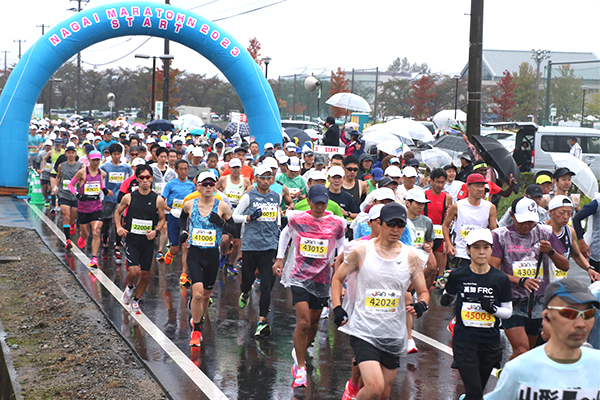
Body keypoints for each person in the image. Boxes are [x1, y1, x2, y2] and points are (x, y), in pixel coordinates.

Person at [332, 202, 430, 400]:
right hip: (363, 329)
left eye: (400, 225)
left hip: (393, 332)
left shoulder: (411, 256)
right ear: (379, 223)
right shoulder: (362, 251)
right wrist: (337, 307)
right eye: (391, 224)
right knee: (374, 387)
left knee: (384, 393)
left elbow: (423, 291)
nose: (396, 230)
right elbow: (337, 278)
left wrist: (422, 305)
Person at [274, 184, 346, 388]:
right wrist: (280, 258)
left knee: (314, 323)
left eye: (323, 203)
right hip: (300, 276)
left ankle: (301, 351)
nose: (320, 207)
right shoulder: (297, 218)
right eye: (316, 203)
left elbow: (342, 242)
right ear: (309, 200)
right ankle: (301, 367)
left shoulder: (336, 223)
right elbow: (285, 235)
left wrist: (340, 260)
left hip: (322, 278)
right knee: (304, 322)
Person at [484, 278, 600, 400]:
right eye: (569, 313)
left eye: (588, 314)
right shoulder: (519, 370)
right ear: (546, 316)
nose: (581, 324)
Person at [490, 197, 569, 360]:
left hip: (538, 301)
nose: (526, 226)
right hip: (512, 300)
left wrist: (551, 252)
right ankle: (506, 381)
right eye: (522, 221)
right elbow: (491, 271)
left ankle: (509, 377)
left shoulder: (546, 232)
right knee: (521, 350)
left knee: (529, 354)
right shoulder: (500, 235)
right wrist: (520, 280)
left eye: (530, 222)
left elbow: (565, 265)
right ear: (512, 215)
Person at [441, 229, 512, 400]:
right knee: (474, 392)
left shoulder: (500, 278)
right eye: (476, 247)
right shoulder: (458, 275)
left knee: (477, 391)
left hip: (489, 342)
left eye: (486, 247)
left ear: (491, 249)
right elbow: (446, 300)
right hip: (465, 341)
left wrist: (493, 309)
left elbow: (508, 312)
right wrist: (447, 293)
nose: (481, 252)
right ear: (468, 249)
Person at [180, 171, 233, 345]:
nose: (208, 187)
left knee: (205, 296)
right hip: (195, 253)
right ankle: (196, 329)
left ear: (216, 185)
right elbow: (182, 218)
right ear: (198, 186)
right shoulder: (189, 204)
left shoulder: (222, 206)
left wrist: (222, 223)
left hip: (212, 255)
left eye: (212, 184)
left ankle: (198, 319)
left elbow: (234, 229)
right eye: (205, 184)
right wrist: (182, 232)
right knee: (197, 294)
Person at [233, 164, 282, 338]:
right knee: (247, 279)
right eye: (262, 177)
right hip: (251, 245)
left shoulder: (276, 196)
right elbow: (234, 216)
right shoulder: (248, 197)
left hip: (269, 246)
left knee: (267, 285)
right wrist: (248, 217)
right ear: (256, 179)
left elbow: (276, 217)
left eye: (269, 177)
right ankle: (245, 292)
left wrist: (278, 234)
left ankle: (262, 321)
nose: (266, 181)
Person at [116, 165, 166, 315]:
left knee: (145, 274)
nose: (145, 180)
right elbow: (117, 213)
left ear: (151, 179)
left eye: (148, 177)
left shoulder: (157, 199)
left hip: (148, 242)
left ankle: (136, 300)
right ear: (137, 179)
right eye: (142, 177)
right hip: (132, 240)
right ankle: (130, 286)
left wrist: (156, 231)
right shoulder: (129, 197)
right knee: (133, 271)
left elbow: (162, 219)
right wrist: (119, 227)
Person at [443, 173, 498, 269]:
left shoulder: (490, 207)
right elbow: (445, 225)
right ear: (468, 187)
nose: (480, 189)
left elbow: (494, 232)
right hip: (461, 252)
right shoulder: (457, 206)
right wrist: (448, 243)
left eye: (482, 186)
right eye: (477, 186)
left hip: (481, 253)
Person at [68, 150, 112, 268]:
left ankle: (94, 258)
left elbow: (100, 184)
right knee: (85, 233)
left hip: (96, 206)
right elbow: (70, 185)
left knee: (97, 231)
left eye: (98, 160)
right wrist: (77, 195)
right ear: (89, 159)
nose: (96, 162)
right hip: (83, 207)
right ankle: (82, 237)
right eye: (93, 160)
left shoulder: (102, 173)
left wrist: (105, 190)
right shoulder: (82, 173)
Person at [546, 196, 600, 282]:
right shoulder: (540, 230)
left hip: (560, 281)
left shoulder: (570, 231)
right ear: (551, 212)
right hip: (542, 283)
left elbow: (576, 255)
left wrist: (589, 269)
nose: (565, 217)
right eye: (562, 212)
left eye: (569, 213)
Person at [215, 157, 251, 275]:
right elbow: (215, 191)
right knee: (225, 240)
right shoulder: (224, 179)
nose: (236, 170)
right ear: (229, 168)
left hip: (238, 214)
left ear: (241, 168)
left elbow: (250, 193)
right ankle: (224, 254)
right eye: (234, 167)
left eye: (238, 167)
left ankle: (231, 264)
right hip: (226, 214)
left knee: (236, 242)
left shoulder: (245, 181)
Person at [161, 159, 196, 273]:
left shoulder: (191, 185)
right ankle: (171, 252)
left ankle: (184, 274)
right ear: (176, 170)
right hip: (173, 218)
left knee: (186, 246)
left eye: (185, 169)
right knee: (175, 249)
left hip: (186, 219)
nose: (183, 171)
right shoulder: (170, 184)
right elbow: (161, 202)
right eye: (181, 169)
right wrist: (170, 210)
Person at [100, 143, 133, 260]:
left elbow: (131, 180)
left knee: (118, 223)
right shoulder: (104, 167)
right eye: (114, 154)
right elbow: (98, 179)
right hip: (108, 199)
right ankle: (104, 241)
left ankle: (117, 245)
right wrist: (104, 190)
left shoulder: (126, 167)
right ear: (111, 155)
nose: (117, 156)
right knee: (106, 223)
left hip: (121, 199)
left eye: (119, 154)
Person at [423, 168, 453, 284]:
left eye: (442, 182)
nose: (440, 185)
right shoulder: (424, 194)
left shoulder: (447, 197)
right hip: (426, 233)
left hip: (440, 233)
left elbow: (448, 219)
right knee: (427, 265)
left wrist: (447, 239)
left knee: (436, 267)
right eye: (437, 182)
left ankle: (437, 282)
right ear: (431, 181)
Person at [54, 142, 83, 250]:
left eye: (72, 153)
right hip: (64, 194)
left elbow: (82, 179)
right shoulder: (62, 165)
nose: (71, 155)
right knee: (66, 216)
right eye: (69, 153)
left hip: (75, 195)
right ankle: (68, 240)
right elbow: (58, 176)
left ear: (75, 154)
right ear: (65, 154)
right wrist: (56, 187)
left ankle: (72, 224)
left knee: (72, 217)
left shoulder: (80, 166)